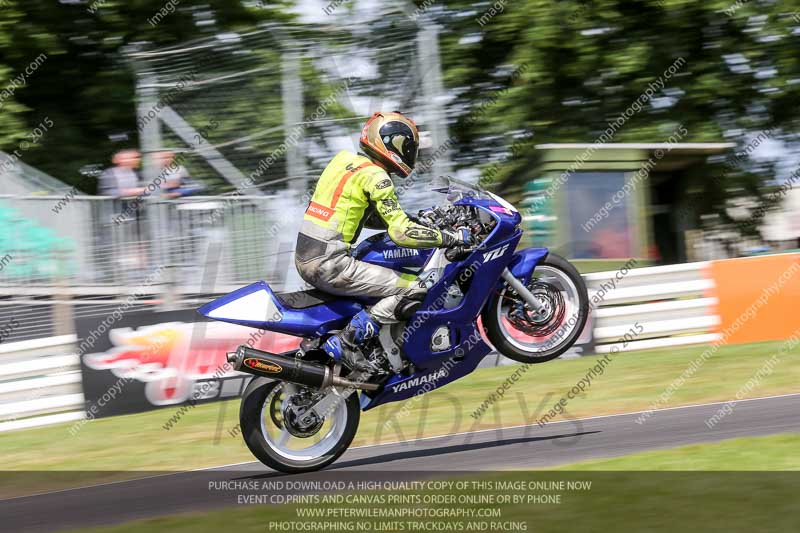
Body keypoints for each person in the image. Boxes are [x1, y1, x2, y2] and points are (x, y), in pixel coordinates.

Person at [294, 111, 471, 373]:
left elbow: (361, 214)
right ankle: (349, 339)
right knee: (418, 288)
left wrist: (415, 220)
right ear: (389, 143)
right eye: (406, 146)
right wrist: (451, 237)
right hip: (330, 263)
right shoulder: (377, 176)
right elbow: (401, 233)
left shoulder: (343, 162)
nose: (409, 152)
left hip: (307, 256)